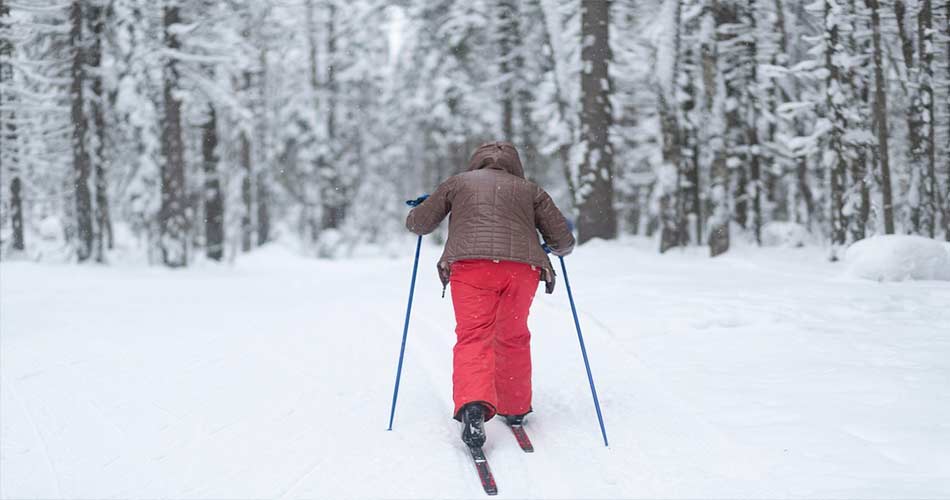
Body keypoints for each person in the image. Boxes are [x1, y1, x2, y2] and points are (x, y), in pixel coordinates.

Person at [405, 141, 575, 448]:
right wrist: (552, 244)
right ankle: (515, 407)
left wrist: (424, 205)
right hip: (521, 272)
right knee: (513, 335)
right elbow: (563, 241)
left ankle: (473, 406)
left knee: (473, 336)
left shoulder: (458, 183)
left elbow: (419, 224)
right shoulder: (530, 190)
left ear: (477, 162)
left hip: (471, 269)